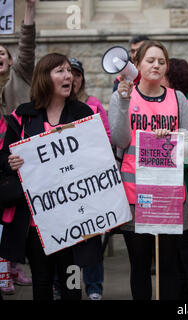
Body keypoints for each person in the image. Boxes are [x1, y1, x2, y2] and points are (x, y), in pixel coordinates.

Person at [0, 53, 103, 300]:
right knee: (42, 285)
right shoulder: (22, 116)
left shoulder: (83, 113)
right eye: (60, 71)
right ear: (44, 78)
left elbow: (98, 159)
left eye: (69, 71)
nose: (68, 76)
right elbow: (3, 158)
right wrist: (11, 161)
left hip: (75, 222)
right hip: (38, 224)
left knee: (71, 284)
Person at [108, 40, 188, 300]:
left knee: (168, 264)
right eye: (150, 60)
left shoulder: (177, 98)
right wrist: (123, 103)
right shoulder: (121, 97)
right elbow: (120, 141)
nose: (156, 65)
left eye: (161, 61)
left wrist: (173, 137)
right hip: (135, 195)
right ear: (137, 65)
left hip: (168, 195)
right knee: (140, 265)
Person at [0, 0, 36, 296]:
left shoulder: (19, 76)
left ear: (11, 61)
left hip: (19, 158)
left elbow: (26, 46)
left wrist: (29, 11)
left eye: (2, 53)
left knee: (18, 213)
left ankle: (13, 265)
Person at [161, 57, 188, 300]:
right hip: (171, 186)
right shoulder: (160, 106)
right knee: (175, 250)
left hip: (187, 185)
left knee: (186, 249)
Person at [70, 57, 112, 300]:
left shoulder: (94, 105)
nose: (73, 79)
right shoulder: (57, 106)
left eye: (77, 74)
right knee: (67, 240)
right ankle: (67, 285)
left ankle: (94, 287)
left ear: (82, 78)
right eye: (69, 73)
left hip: (90, 185)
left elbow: (106, 139)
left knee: (91, 238)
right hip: (65, 187)